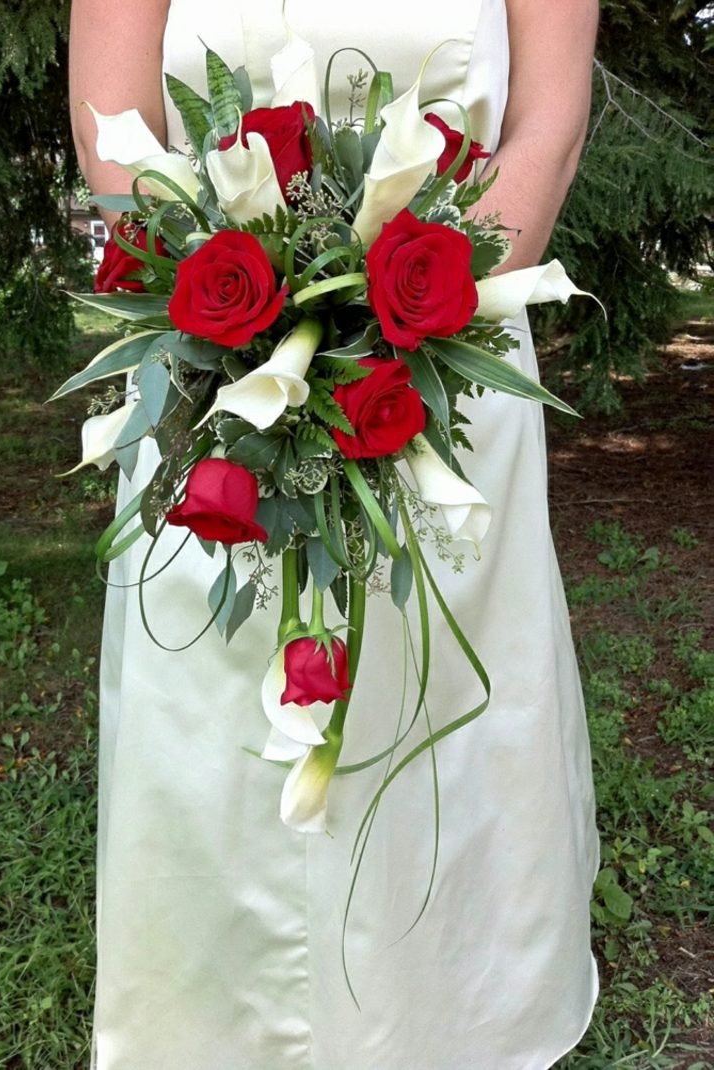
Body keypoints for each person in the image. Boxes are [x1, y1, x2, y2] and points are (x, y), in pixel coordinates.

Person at [68, 2, 601, 1068]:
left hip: (444, 361)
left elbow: (545, 126)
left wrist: (389, 324)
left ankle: (459, 1019)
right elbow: (111, 125)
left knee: (429, 692)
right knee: (212, 727)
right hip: (208, 372)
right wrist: (247, 328)